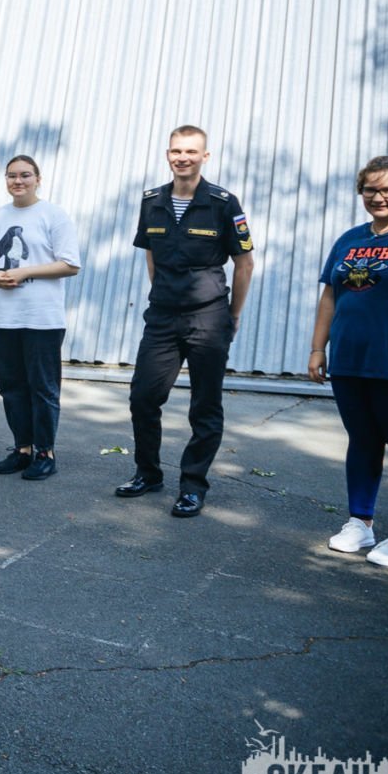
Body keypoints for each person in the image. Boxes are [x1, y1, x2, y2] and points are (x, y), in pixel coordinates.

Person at [117, 125, 253, 518]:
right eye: (176, 151)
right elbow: (150, 254)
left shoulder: (223, 203)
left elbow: (245, 263)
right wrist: (163, 293)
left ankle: (193, 486)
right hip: (162, 316)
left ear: (204, 157)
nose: (183, 158)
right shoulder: (152, 201)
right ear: (168, 155)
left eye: (191, 151)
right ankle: (148, 474)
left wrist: (233, 315)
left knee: (204, 405)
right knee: (143, 397)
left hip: (208, 317)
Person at [308, 155, 388, 567]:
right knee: (363, 441)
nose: (378, 197)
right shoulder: (349, 239)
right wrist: (318, 348)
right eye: (370, 189)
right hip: (350, 360)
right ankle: (360, 522)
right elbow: (330, 296)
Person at [0, 155, 81, 481]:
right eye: (12, 176)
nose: (18, 181)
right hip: (3, 317)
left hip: (42, 319)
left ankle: (45, 453)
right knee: (11, 386)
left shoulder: (54, 216)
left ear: (38, 179)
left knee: (43, 387)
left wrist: (24, 272)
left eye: (25, 175)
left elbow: (70, 264)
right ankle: (22, 449)